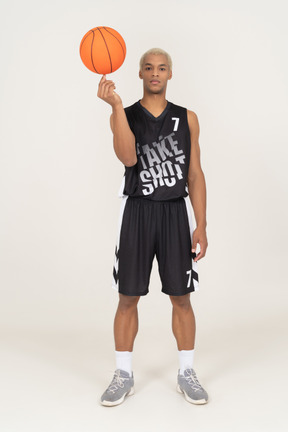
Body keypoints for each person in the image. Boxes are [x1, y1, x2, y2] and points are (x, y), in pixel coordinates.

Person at [97, 48, 208, 406]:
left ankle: (187, 372)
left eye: (162, 68)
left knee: (182, 296)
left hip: (176, 212)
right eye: (149, 68)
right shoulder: (124, 114)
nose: (155, 73)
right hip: (138, 212)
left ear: (170, 74)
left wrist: (201, 224)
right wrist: (115, 106)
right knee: (128, 296)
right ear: (140, 74)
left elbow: (195, 174)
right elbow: (128, 158)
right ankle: (123, 374)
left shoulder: (187, 118)